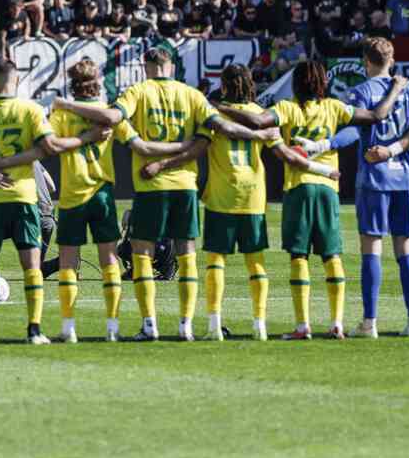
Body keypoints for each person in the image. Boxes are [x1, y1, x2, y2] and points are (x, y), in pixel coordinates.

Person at [52, 47, 281, 341]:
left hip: (150, 186)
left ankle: (149, 325)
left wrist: (66, 106)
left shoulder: (138, 91)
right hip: (186, 185)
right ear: (170, 66)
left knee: (141, 255)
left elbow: (113, 119)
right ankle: (186, 325)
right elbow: (219, 129)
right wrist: (258, 135)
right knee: (186, 255)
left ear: (147, 66)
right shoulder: (192, 95)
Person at [218, 59, 408, 340]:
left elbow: (257, 121)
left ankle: (303, 325)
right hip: (328, 188)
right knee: (331, 254)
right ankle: (336, 323)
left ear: (296, 83)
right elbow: (377, 115)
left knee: (299, 255)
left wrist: (219, 106)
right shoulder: (334, 107)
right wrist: (395, 88)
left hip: (298, 187)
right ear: (323, 82)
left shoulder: (286, 108)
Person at [145, 65, 337, 342]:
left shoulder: (214, 113)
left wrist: (164, 163)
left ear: (223, 87)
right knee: (255, 264)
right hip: (253, 196)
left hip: (222, 194)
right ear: (250, 85)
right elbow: (284, 154)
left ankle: (214, 324)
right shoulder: (260, 115)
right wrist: (323, 171)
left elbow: (197, 147)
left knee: (215, 262)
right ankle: (259, 324)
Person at [0, 59, 112, 345]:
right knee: (32, 268)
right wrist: (89, 137)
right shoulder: (30, 110)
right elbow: (47, 147)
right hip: (24, 198)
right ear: (17, 81)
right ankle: (34, 330)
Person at [28, 60, 196, 342]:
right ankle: (112, 328)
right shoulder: (108, 114)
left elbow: (51, 145)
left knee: (69, 262)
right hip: (102, 193)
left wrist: (80, 138)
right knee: (108, 260)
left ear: (72, 84)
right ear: (96, 82)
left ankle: (68, 329)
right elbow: (140, 146)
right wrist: (183, 149)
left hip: (72, 196)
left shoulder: (64, 114)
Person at [307, 39, 409, 339]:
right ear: (391, 59)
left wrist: (324, 145)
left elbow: (352, 131)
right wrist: (395, 149)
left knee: (372, 248)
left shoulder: (360, 92)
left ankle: (370, 323)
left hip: (375, 179)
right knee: (406, 249)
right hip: (406, 177)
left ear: (365, 62)